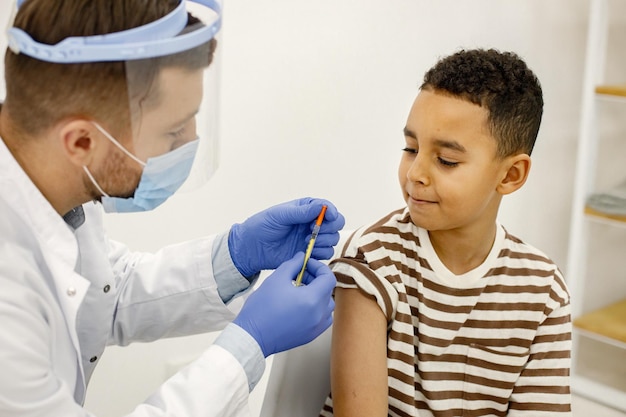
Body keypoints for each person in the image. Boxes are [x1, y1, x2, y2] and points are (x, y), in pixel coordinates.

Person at [0, 1, 345, 416]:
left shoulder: (52, 180)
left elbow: (102, 287)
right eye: (173, 130)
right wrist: (248, 345)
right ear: (81, 142)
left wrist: (235, 257)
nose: (189, 141)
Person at [320, 49, 571, 417]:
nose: (415, 174)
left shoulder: (543, 291)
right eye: (411, 148)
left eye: (446, 160)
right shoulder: (372, 258)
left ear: (510, 175)